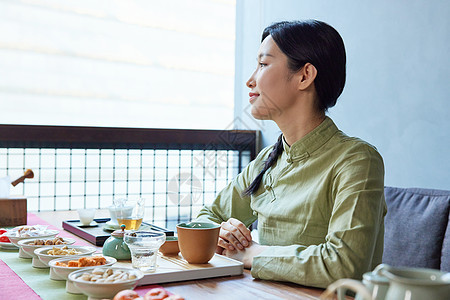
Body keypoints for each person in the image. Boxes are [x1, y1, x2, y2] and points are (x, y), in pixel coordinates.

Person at [196, 20, 386, 289]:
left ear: (305, 75)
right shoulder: (267, 160)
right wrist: (222, 234)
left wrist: (252, 253)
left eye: (263, 65)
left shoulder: (357, 160)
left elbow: (344, 265)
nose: (250, 80)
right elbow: (205, 218)